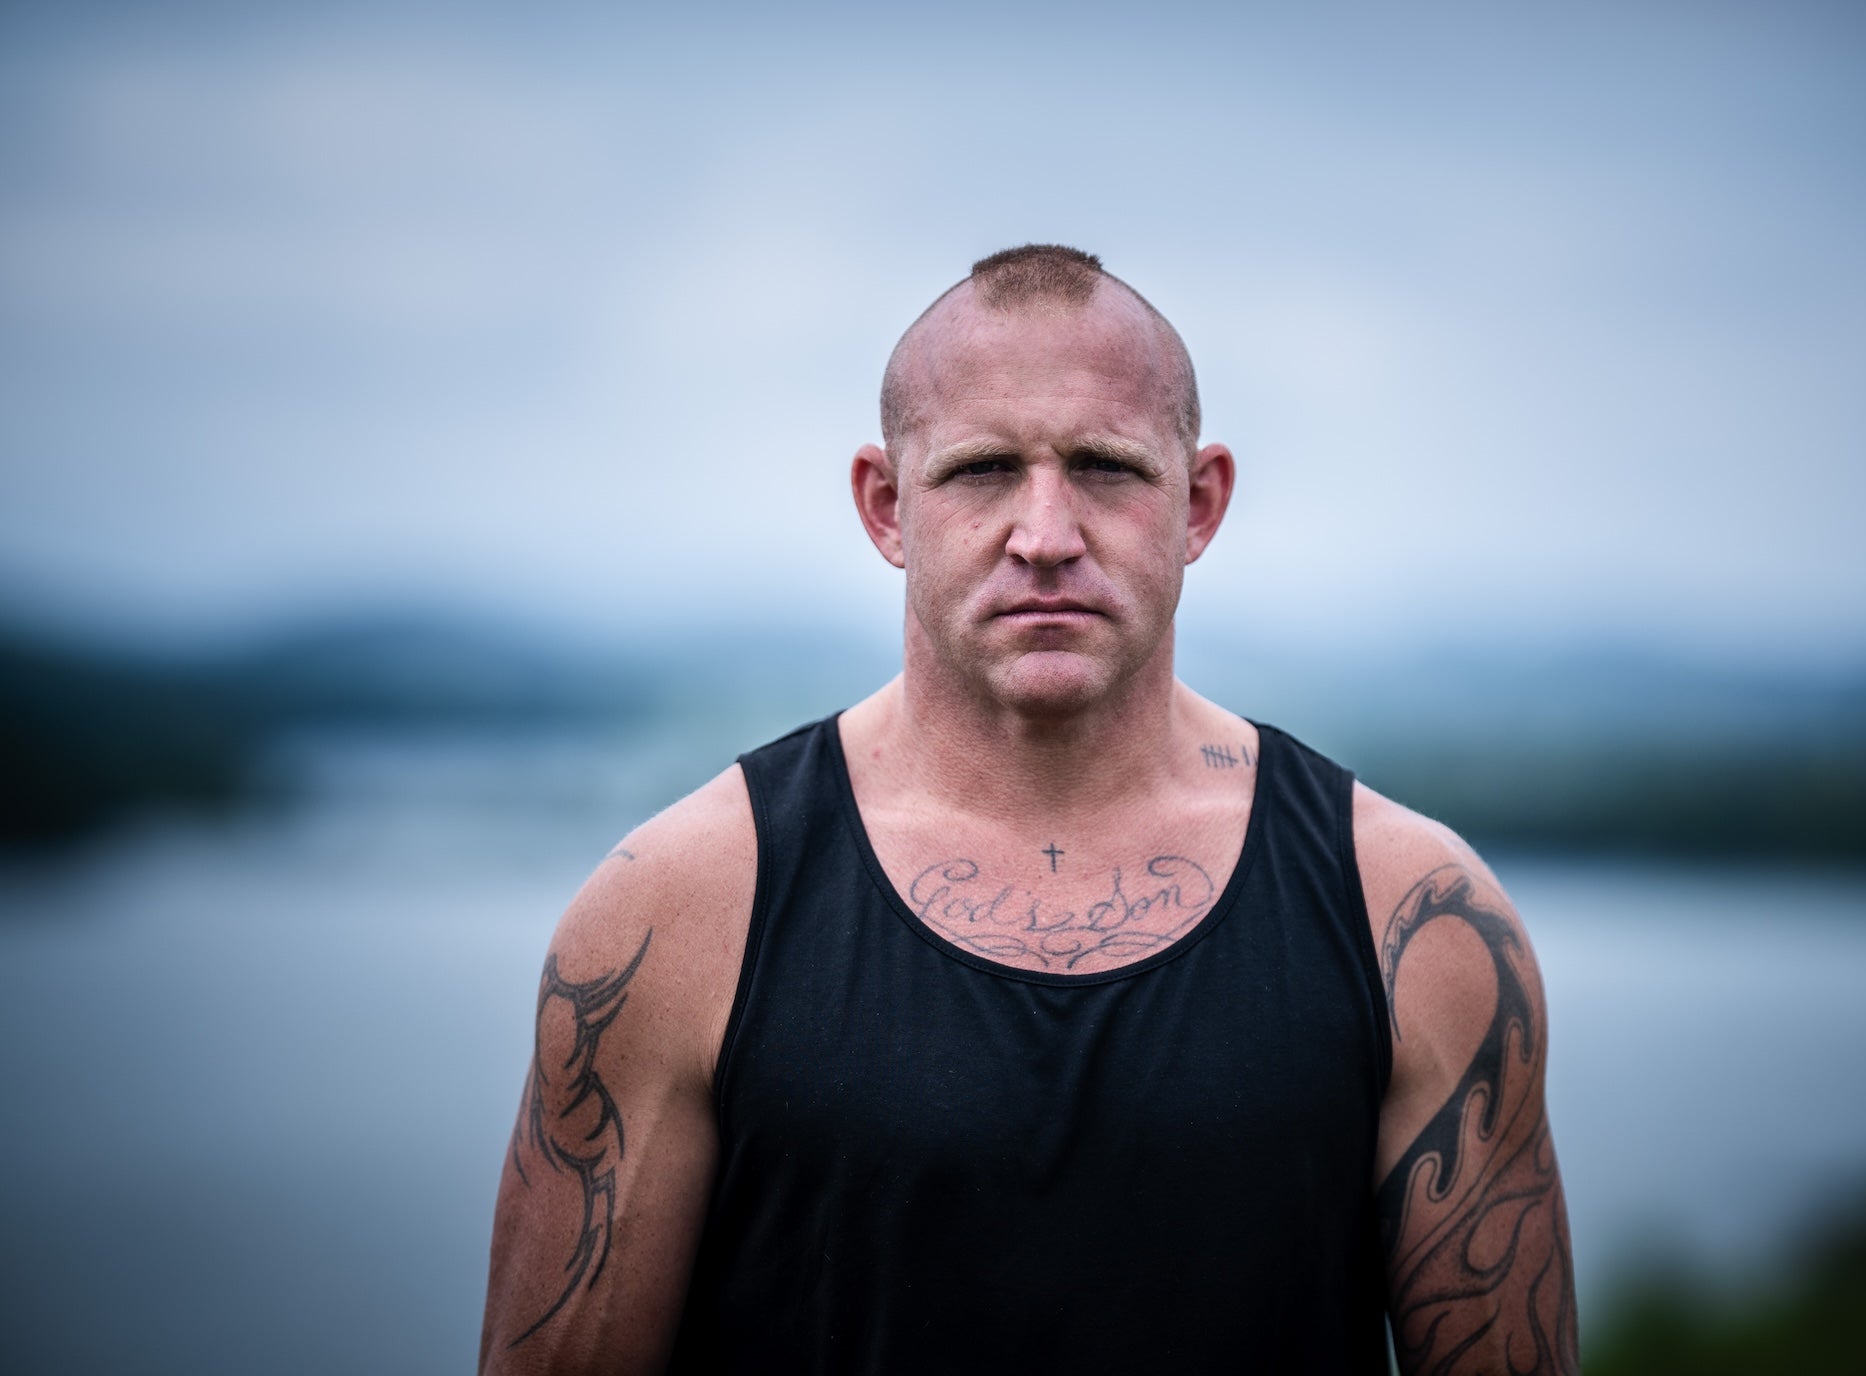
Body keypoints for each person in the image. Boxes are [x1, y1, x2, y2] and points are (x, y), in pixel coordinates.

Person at [478, 245, 1578, 1374]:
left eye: (1105, 467)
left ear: (1198, 503)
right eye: (982, 469)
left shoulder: (1415, 920)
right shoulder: (675, 913)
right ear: (885, 504)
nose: (1045, 534)